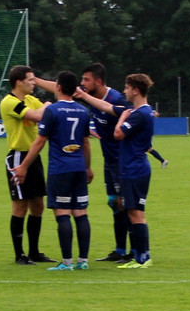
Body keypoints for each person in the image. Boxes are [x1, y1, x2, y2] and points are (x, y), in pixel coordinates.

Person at [12, 71, 94, 270]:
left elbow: (40, 141)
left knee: (62, 212)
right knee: (81, 213)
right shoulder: (83, 111)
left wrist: (23, 166)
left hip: (60, 169)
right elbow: (86, 144)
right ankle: (83, 261)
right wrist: (88, 167)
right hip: (78, 169)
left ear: (58, 87)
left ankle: (66, 262)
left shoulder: (53, 111)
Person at [77, 73, 156, 269]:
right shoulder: (141, 111)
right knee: (132, 211)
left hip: (134, 168)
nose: (124, 91)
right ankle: (140, 256)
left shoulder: (139, 114)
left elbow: (118, 133)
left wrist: (122, 117)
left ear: (136, 90)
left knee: (136, 214)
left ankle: (142, 258)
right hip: (133, 167)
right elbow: (106, 107)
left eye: (127, 88)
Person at [0, 65, 57, 266]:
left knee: (38, 205)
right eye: (31, 80)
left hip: (34, 157)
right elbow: (38, 116)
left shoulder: (31, 100)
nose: (34, 83)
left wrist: (45, 106)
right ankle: (19, 255)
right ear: (19, 82)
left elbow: (45, 112)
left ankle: (34, 252)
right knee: (20, 206)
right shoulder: (9, 102)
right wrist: (47, 104)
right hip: (18, 157)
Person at [77, 62, 134, 263]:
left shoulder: (115, 98)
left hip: (122, 160)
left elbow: (132, 114)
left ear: (98, 81)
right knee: (113, 202)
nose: (82, 83)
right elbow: (60, 86)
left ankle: (135, 252)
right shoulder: (91, 99)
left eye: (86, 80)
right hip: (109, 159)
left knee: (125, 203)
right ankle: (119, 250)